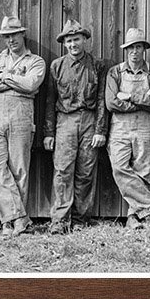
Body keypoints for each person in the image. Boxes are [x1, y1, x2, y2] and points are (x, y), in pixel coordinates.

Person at [0, 16, 47, 235]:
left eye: (14, 35)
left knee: (19, 168)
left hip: (21, 114)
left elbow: (31, 84)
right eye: (6, 37)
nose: (10, 40)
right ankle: (18, 217)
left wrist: (4, 76)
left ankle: (10, 223)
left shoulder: (35, 61)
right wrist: (16, 82)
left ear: (22, 34)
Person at [42, 19, 108, 234]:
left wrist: (100, 130)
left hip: (89, 121)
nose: (73, 44)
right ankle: (59, 221)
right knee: (62, 170)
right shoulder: (56, 66)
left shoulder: (97, 65)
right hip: (65, 121)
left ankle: (80, 219)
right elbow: (50, 101)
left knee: (86, 171)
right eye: (69, 41)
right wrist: (49, 132)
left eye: (76, 39)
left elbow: (101, 101)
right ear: (64, 43)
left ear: (84, 40)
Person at [105, 28, 150, 229]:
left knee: (143, 171)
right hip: (120, 128)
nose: (134, 51)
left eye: (138, 47)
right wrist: (143, 100)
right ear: (126, 50)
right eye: (130, 47)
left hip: (145, 126)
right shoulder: (115, 72)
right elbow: (112, 103)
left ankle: (135, 218)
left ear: (144, 49)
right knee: (119, 167)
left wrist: (130, 97)